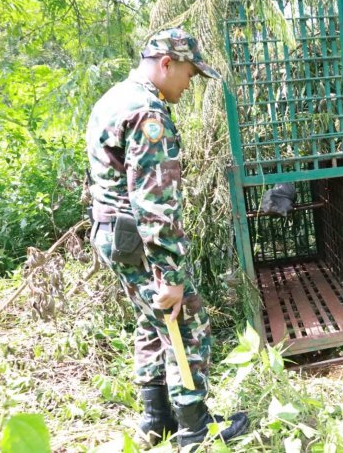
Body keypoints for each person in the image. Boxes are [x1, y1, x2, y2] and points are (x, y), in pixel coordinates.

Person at [85, 28, 248, 449]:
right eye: (190, 74)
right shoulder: (148, 113)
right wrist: (169, 273)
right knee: (184, 319)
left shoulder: (113, 99)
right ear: (166, 63)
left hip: (112, 234)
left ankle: (156, 420)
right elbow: (153, 203)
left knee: (150, 318)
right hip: (138, 239)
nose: (190, 84)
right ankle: (196, 430)